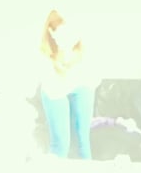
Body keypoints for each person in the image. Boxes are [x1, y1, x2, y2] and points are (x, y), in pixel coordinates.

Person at [39, 9, 98, 159]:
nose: (70, 35)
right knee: (60, 144)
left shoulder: (85, 51)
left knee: (82, 142)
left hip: (82, 83)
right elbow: (49, 87)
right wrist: (59, 59)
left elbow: (93, 79)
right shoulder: (45, 55)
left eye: (73, 30)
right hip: (54, 87)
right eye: (63, 30)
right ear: (51, 32)